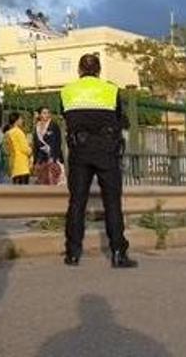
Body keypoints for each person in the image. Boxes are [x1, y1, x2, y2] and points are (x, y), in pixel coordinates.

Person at [60, 54, 138, 269]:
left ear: (78, 70)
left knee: (77, 203)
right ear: (99, 70)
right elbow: (122, 119)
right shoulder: (111, 90)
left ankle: (72, 254)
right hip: (106, 151)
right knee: (112, 203)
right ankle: (118, 254)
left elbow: (66, 118)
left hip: (79, 151)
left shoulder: (67, 91)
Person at [33, 106, 64, 185]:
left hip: (53, 157)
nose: (46, 115)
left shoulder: (53, 125)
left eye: (48, 113)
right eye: (44, 113)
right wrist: (35, 161)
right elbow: (36, 145)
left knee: (54, 180)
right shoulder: (37, 126)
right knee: (42, 180)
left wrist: (53, 157)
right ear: (40, 115)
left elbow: (57, 142)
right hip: (41, 158)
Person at [4, 112, 32, 184]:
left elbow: (7, 149)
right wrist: (31, 150)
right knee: (24, 192)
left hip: (13, 165)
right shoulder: (19, 132)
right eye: (21, 119)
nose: (22, 121)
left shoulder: (8, 133)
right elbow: (25, 148)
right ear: (17, 120)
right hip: (22, 166)